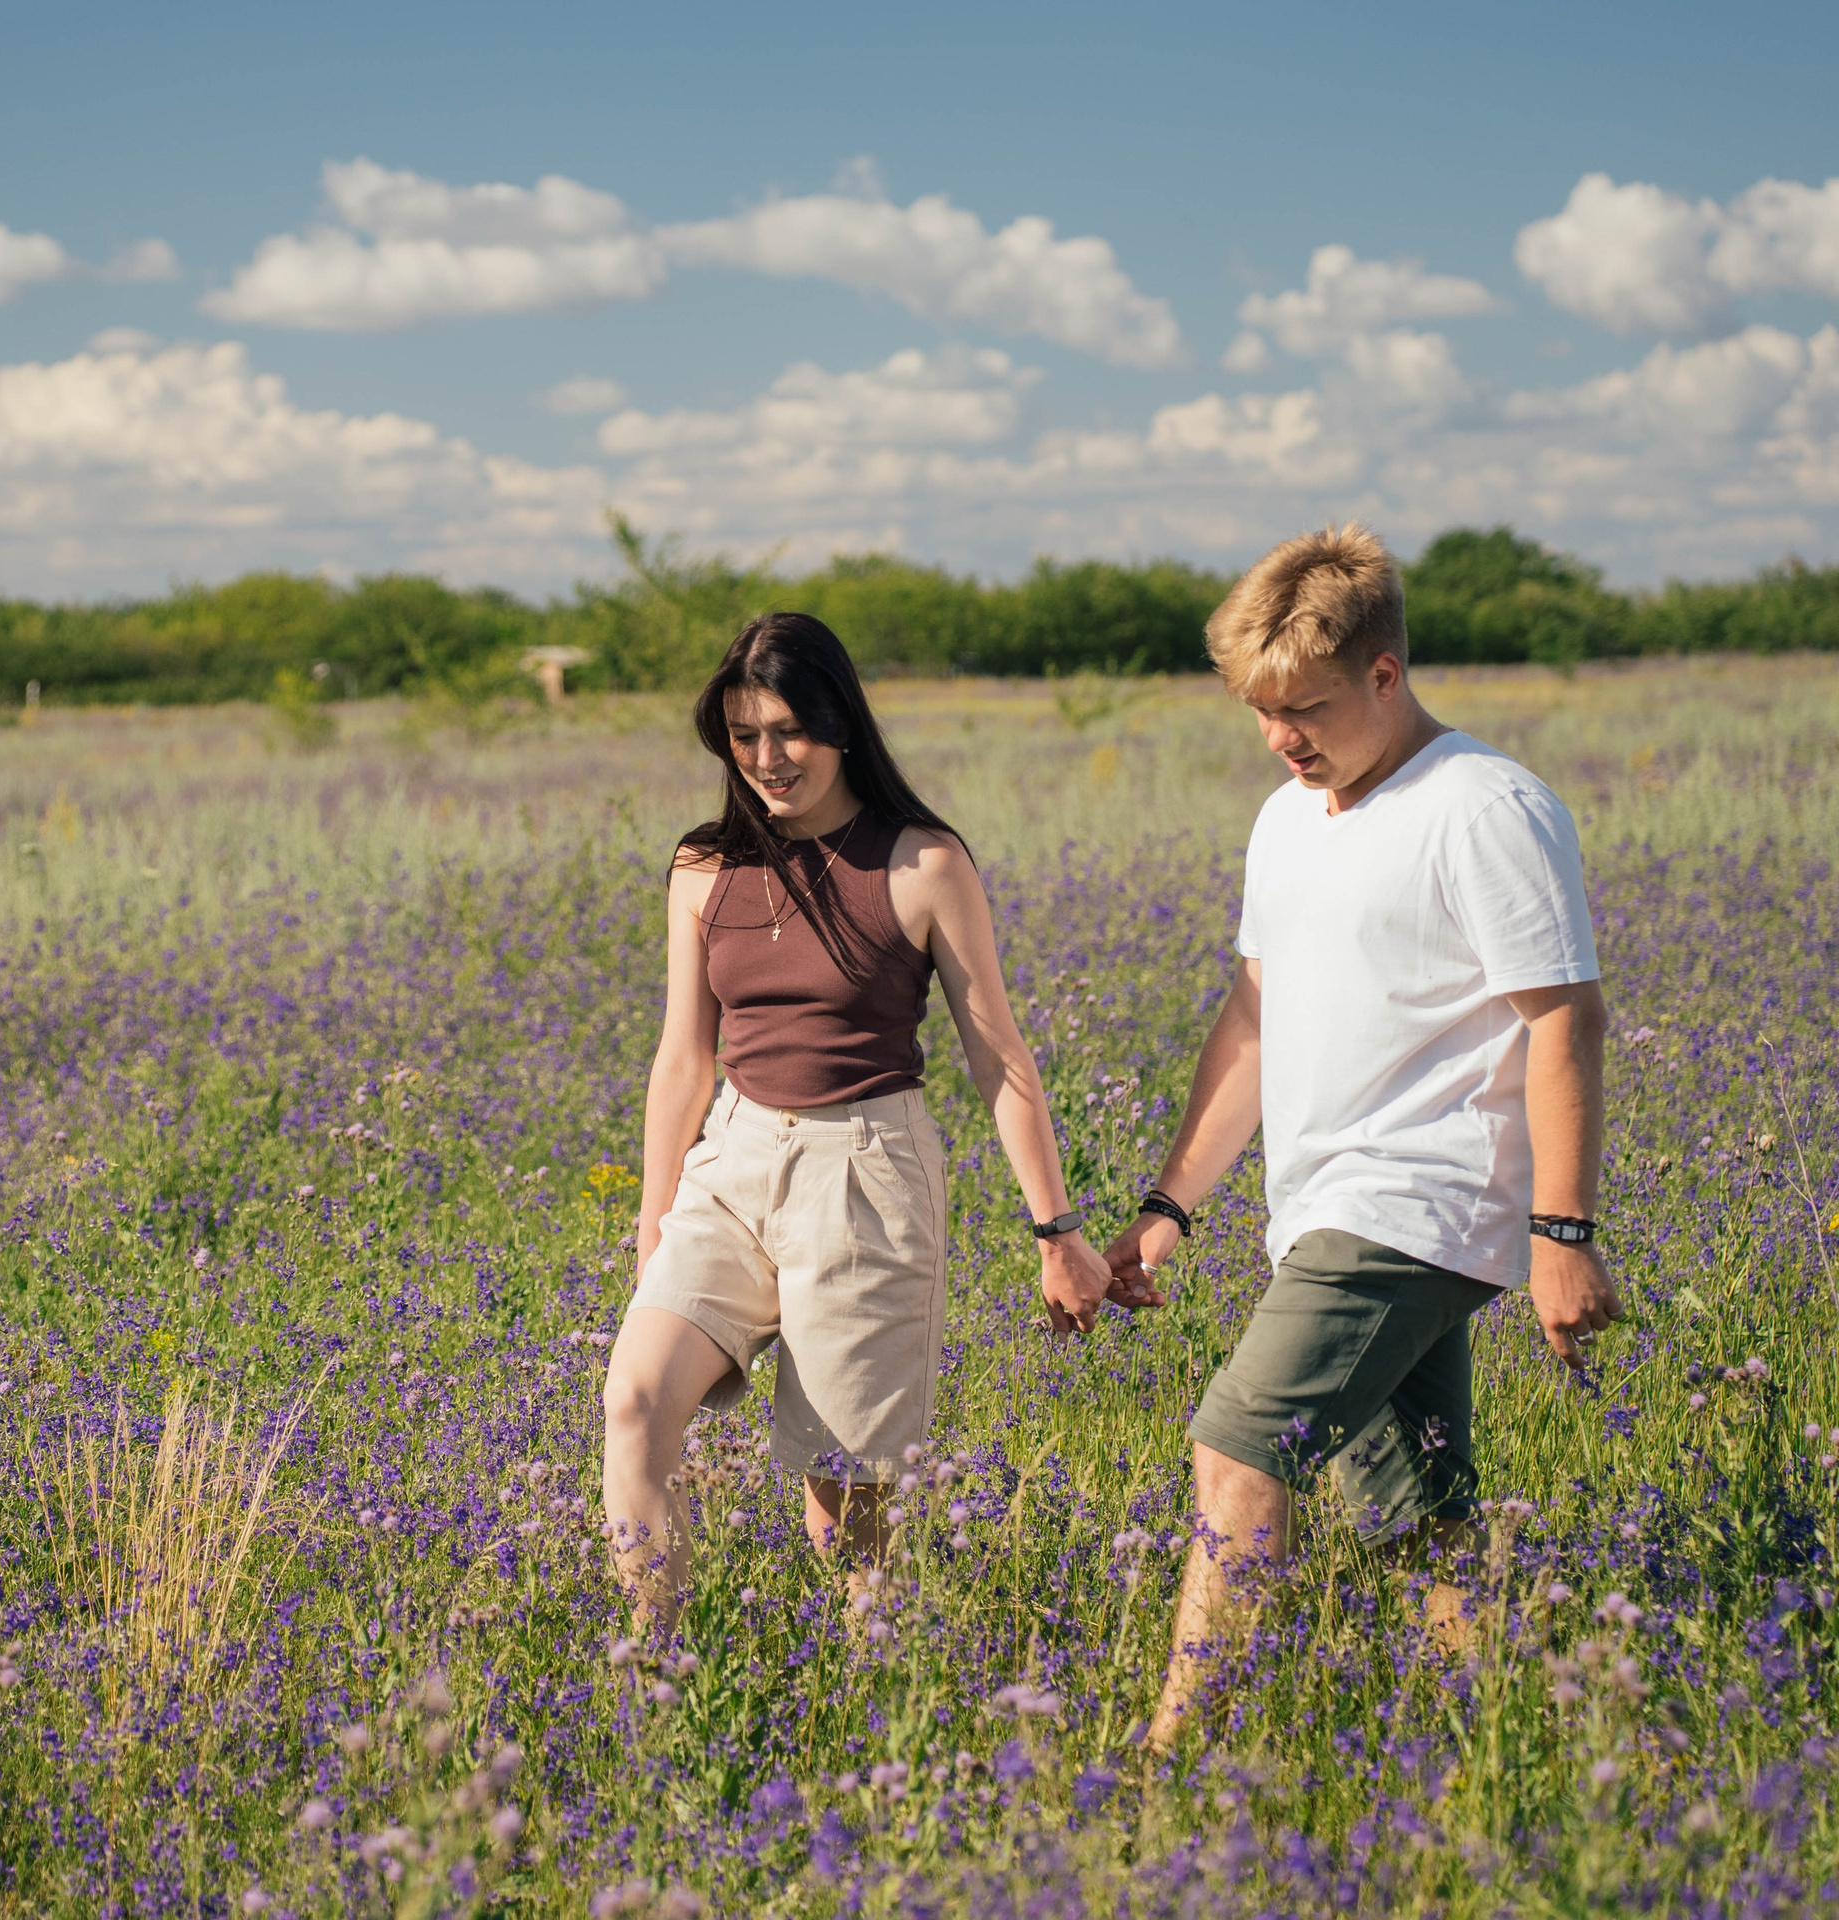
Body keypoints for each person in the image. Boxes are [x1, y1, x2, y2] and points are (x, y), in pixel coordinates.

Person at [1103, 524, 1621, 1751]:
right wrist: (1168, 1209)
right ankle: (1509, 1747)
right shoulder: (1288, 817)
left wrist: (1561, 1234)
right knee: (1418, 1516)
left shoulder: (1484, 807)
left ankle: (1177, 1767)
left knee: (1235, 1449)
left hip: (1422, 1206)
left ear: (1386, 674)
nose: (1283, 738)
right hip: (1322, 1206)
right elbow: (1253, 1016)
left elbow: (1564, 1018)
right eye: (1261, 712)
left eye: (1309, 708)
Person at [601, 611, 1117, 1633]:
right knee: (633, 1404)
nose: (766, 759)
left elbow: (997, 1056)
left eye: (787, 731)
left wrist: (1056, 1234)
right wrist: (654, 1216)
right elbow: (681, 1056)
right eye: (743, 737)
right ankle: (655, 1684)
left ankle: (868, 1713)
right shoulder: (702, 867)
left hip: (866, 1165)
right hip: (730, 1160)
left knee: (841, 1500)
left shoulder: (921, 864)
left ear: (840, 723)